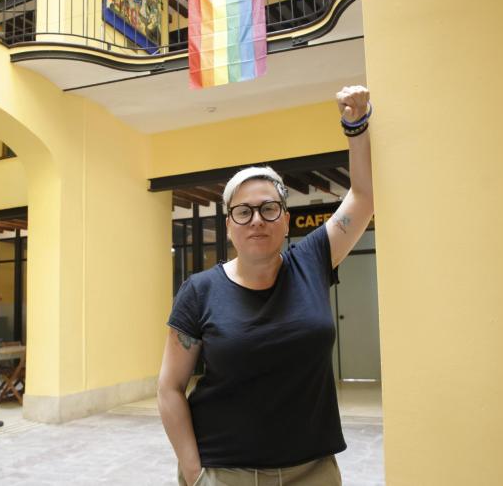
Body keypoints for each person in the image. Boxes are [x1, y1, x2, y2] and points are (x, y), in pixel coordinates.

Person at [157, 85, 374, 486]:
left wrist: (356, 126)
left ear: (286, 220)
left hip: (312, 472)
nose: (257, 220)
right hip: (225, 473)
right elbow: (169, 387)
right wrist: (195, 473)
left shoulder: (311, 261)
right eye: (243, 211)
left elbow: (362, 198)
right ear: (229, 225)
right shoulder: (199, 291)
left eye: (269, 208)